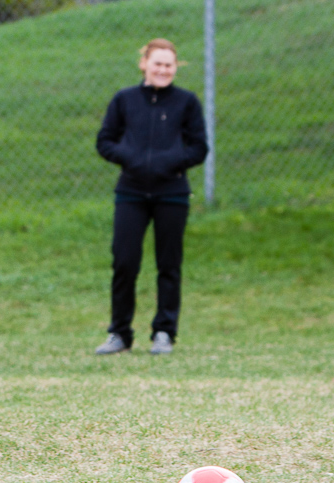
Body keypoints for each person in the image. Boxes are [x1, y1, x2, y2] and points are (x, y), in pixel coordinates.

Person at [95, 38, 208, 355]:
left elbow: (199, 148)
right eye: (157, 63)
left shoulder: (187, 103)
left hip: (172, 194)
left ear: (176, 67)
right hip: (130, 193)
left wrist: (167, 163)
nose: (163, 70)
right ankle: (119, 334)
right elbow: (105, 141)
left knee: (169, 265)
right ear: (144, 63)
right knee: (125, 262)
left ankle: (164, 332)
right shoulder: (124, 100)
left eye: (169, 65)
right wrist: (131, 158)